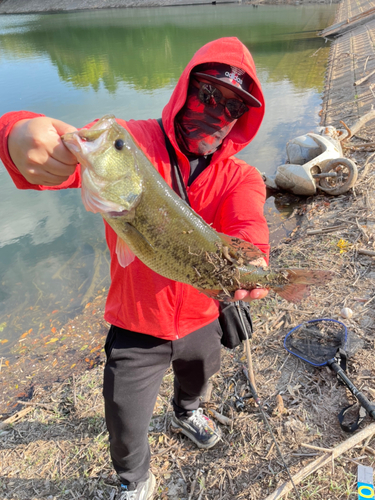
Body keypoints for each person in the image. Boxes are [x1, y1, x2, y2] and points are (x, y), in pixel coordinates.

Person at [0, 37, 270, 500]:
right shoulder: (132, 143)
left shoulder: (239, 176)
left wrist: (257, 260)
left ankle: (187, 413)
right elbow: (63, 152)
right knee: (123, 416)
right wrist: (17, 133)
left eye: (232, 107)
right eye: (208, 94)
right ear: (185, 88)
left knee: (199, 378)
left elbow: (248, 225)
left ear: (242, 120)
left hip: (203, 318)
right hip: (135, 323)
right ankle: (134, 479)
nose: (216, 112)